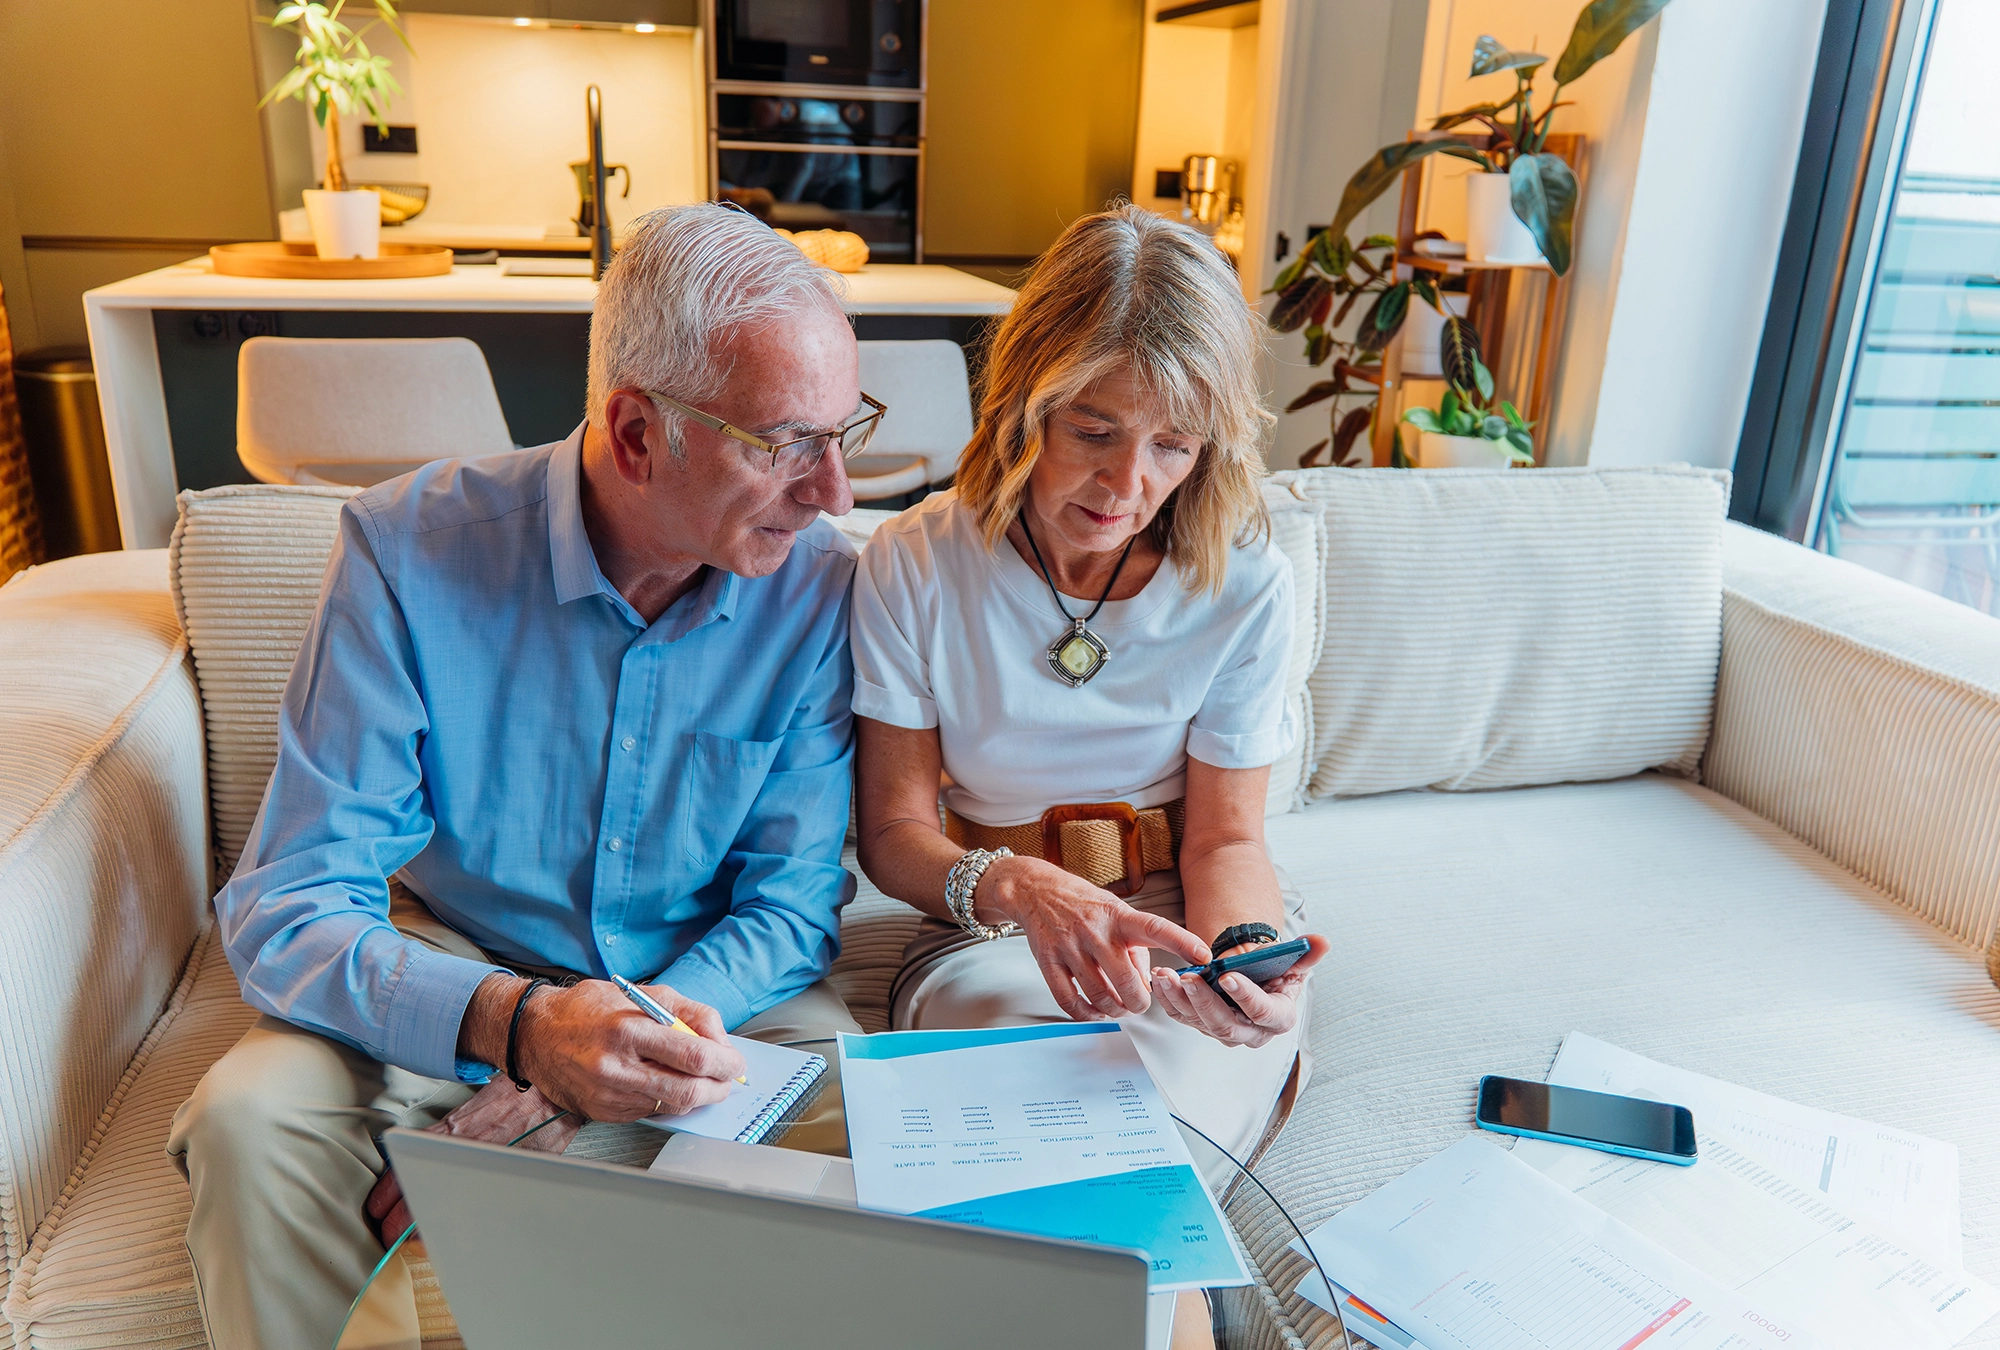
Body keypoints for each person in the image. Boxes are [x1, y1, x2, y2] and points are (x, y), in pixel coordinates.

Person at [168, 203, 878, 1350]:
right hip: (454, 953)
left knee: (900, 1155)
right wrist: (515, 1022)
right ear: (638, 432)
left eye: (845, 433)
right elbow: (292, 899)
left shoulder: (819, 592)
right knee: (252, 1126)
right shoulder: (406, 552)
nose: (835, 492)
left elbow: (788, 909)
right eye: (786, 441)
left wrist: (586, 1057)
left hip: (711, 985)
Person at [850, 204, 1329, 1340]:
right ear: (1023, 401)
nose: (1128, 483)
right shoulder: (916, 562)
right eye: (1093, 430)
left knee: (1128, 1159)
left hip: (1174, 920)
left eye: (1173, 443)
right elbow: (896, 834)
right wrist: (1019, 892)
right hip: (983, 930)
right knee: (1062, 1162)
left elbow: (1222, 842)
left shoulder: (1246, 583)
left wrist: (1239, 961)